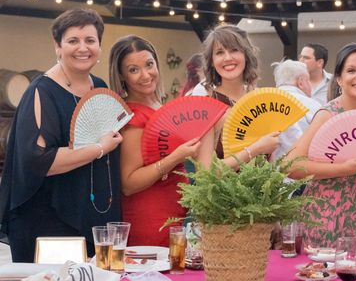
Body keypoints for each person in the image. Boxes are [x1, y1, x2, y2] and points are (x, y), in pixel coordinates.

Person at [0, 8, 123, 262]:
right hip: (48, 220)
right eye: (73, 41)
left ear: (99, 46)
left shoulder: (99, 86)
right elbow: (40, 161)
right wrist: (99, 148)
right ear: (57, 46)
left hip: (92, 213)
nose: (83, 48)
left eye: (90, 40)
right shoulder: (42, 91)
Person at [109, 35, 215, 246]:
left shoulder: (161, 109)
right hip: (150, 219)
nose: (145, 75)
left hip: (176, 215)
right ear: (122, 77)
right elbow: (128, 184)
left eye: (149, 65)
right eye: (133, 70)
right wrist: (177, 157)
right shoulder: (133, 118)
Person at [286, 43, 356, 247]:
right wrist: (343, 169)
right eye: (351, 70)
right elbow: (291, 166)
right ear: (338, 78)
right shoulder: (327, 115)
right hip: (327, 219)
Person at [199, 24, 279, 161]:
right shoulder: (206, 109)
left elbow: (270, 162)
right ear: (211, 61)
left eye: (234, 50)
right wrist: (255, 149)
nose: (227, 58)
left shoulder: (261, 100)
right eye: (219, 52)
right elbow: (206, 171)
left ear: (246, 55)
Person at [270, 59, 321, 161]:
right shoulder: (311, 105)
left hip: (269, 173)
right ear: (301, 82)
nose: (310, 86)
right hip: (304, 170)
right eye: (308, 80)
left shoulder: (265, 103)